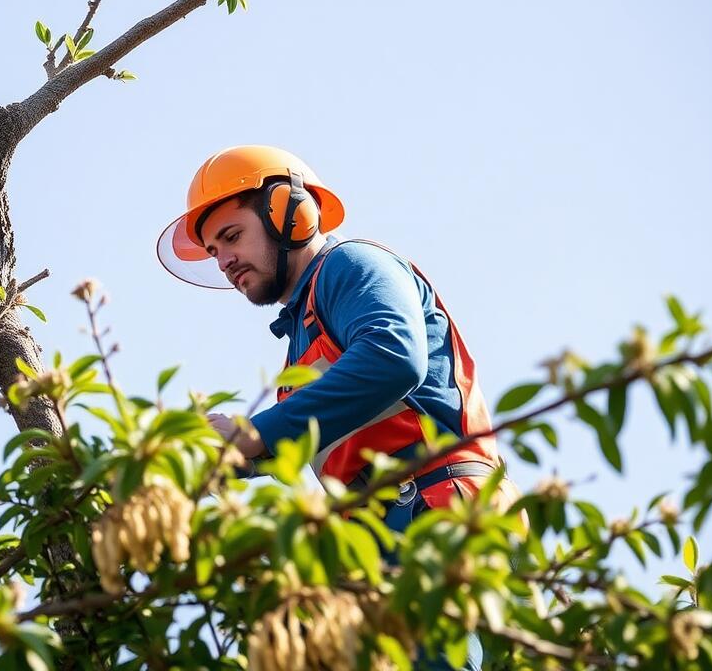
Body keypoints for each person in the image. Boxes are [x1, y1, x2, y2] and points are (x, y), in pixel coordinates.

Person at [156, 145, 518, 670]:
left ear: (289, 213)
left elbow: (393, 357)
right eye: (214, 251)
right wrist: (221, 456)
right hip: (384, 543)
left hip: (439, 514)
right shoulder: (299, 348)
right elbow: (304, 432)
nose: (225, 259)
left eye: (231, 236)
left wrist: (256, 434)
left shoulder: (349, 265)